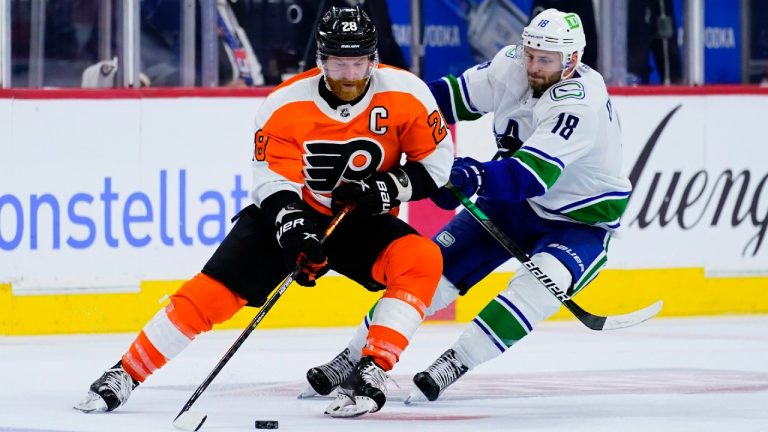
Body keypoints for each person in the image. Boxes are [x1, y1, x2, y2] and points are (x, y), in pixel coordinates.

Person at [74, 5, 453, 417]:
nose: (349, 75)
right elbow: (272, 181)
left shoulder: (407, 94)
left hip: (361, 221)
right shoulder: (284, 104)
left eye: (358, 63)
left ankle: (372, 369)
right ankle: (125, 372)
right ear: (322, 60)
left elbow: (435, 163)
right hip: (292, 214)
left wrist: (387, 187)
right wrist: (294, 231)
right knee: (211, 293)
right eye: (339, 64)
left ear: (373, 60)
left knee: (422, 259)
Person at [300, 8, 632, 403]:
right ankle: (351, 358)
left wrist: (468, 176)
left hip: (580, 221)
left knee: (537, 288)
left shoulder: (581, 105)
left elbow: (528, 177)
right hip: (513, 207)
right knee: (430, 271)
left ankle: (455, 362)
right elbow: (442, 99)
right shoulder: (511, 64)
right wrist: (391, 117)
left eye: (545, 60)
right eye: (530, 54)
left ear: (572, 60)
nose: (533, 65)